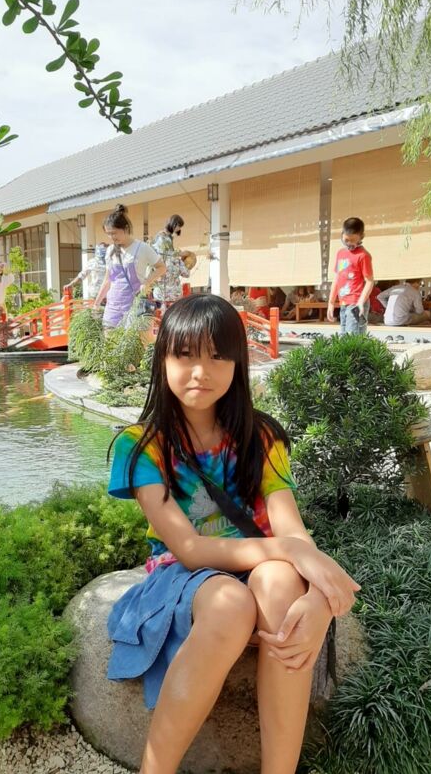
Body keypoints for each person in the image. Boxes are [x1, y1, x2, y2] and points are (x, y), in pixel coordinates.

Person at [106, 294, 360, 774]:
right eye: (185, 355)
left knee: (282, 584)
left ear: (238, 363)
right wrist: (290, 552)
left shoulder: (261, 438)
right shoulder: (142, 447)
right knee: (230, 604)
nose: (200, 371)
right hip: (184, 574)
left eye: (217, 356)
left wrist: (318, 599)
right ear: (163, 360)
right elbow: (189, 548)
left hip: (261, 567)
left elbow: (292, 531)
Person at [94, 205, 166, 328]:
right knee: (109, 337)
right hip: (113, 305)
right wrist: (96, 303)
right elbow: (107, 281)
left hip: (134, 304)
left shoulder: (142, 248)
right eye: (108, 234)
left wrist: (147, 282)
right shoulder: (110, 250)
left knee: (134, 338)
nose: (112, 237)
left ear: (126, 228)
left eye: (114, 233)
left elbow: (162, 267)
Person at [327, 217, 374, 335]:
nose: (349, 243)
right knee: (344, 338)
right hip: (343, 302)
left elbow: (369, 281)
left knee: (353, 339)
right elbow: (337, 278)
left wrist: (361, 302)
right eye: (346, 240)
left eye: (353, 240)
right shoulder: (341, 253)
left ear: (361, 237)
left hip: (356, 303)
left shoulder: (363, 256)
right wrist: (331, 302)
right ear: (342, 234)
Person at [151, 214, 189, 305]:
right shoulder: (162, 237)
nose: (179, 229)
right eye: (179, 226)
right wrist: (179, 254)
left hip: (165, 283)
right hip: (166, 284)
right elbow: (163, 253)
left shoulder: (167, 236)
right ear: (174, 224)